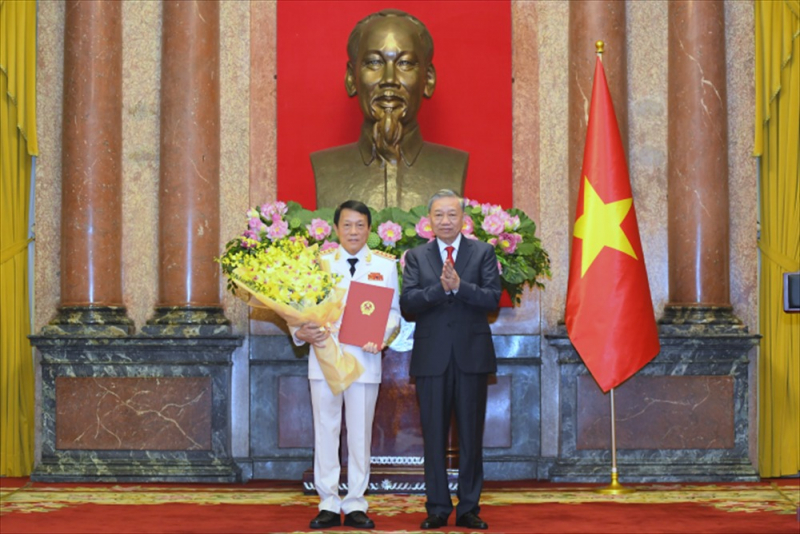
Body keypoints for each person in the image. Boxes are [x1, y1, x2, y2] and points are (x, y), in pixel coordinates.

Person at [293, 200, 401, 530]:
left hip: (364, 360)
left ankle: (355, 502)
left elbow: (393, 313)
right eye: (347, 225)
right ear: (336, 229)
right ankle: (327, 502)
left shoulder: (384, 266)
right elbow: (299, 308)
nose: (353, 231)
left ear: (369, 229)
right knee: (325, 431)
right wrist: (300, 332)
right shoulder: (320, 263)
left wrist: (380, 336)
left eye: (360, 225)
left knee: (359, 434)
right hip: (325, 359)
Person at [400, 190, 501, 530]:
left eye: (452, 214)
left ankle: (469, 508)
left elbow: (492, 299)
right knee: (433, 437)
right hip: (432, 358)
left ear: (463, 219)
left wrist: (460, 287)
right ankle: (437, 508)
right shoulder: (416, 256)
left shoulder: (483, 252)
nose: (445, 221)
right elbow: (408, 303)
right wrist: (440, 290)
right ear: (429, 220)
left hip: (472, 356)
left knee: (470, 437)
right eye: (439, 215)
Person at [312, 9, 468, 210]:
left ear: (428, 79)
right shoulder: (326, 167)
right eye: (374, 62)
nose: (389, 79)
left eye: (405, 63)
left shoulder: (453, 165)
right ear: (351, 78)